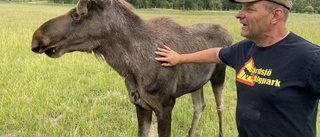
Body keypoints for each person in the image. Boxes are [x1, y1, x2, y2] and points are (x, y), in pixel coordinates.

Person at [155, 0, 320, 136]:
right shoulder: (244, 49)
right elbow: (216, 54)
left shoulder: (309, 58)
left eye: (249, 9)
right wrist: (180, 58)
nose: (238, 14)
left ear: (276, 15)